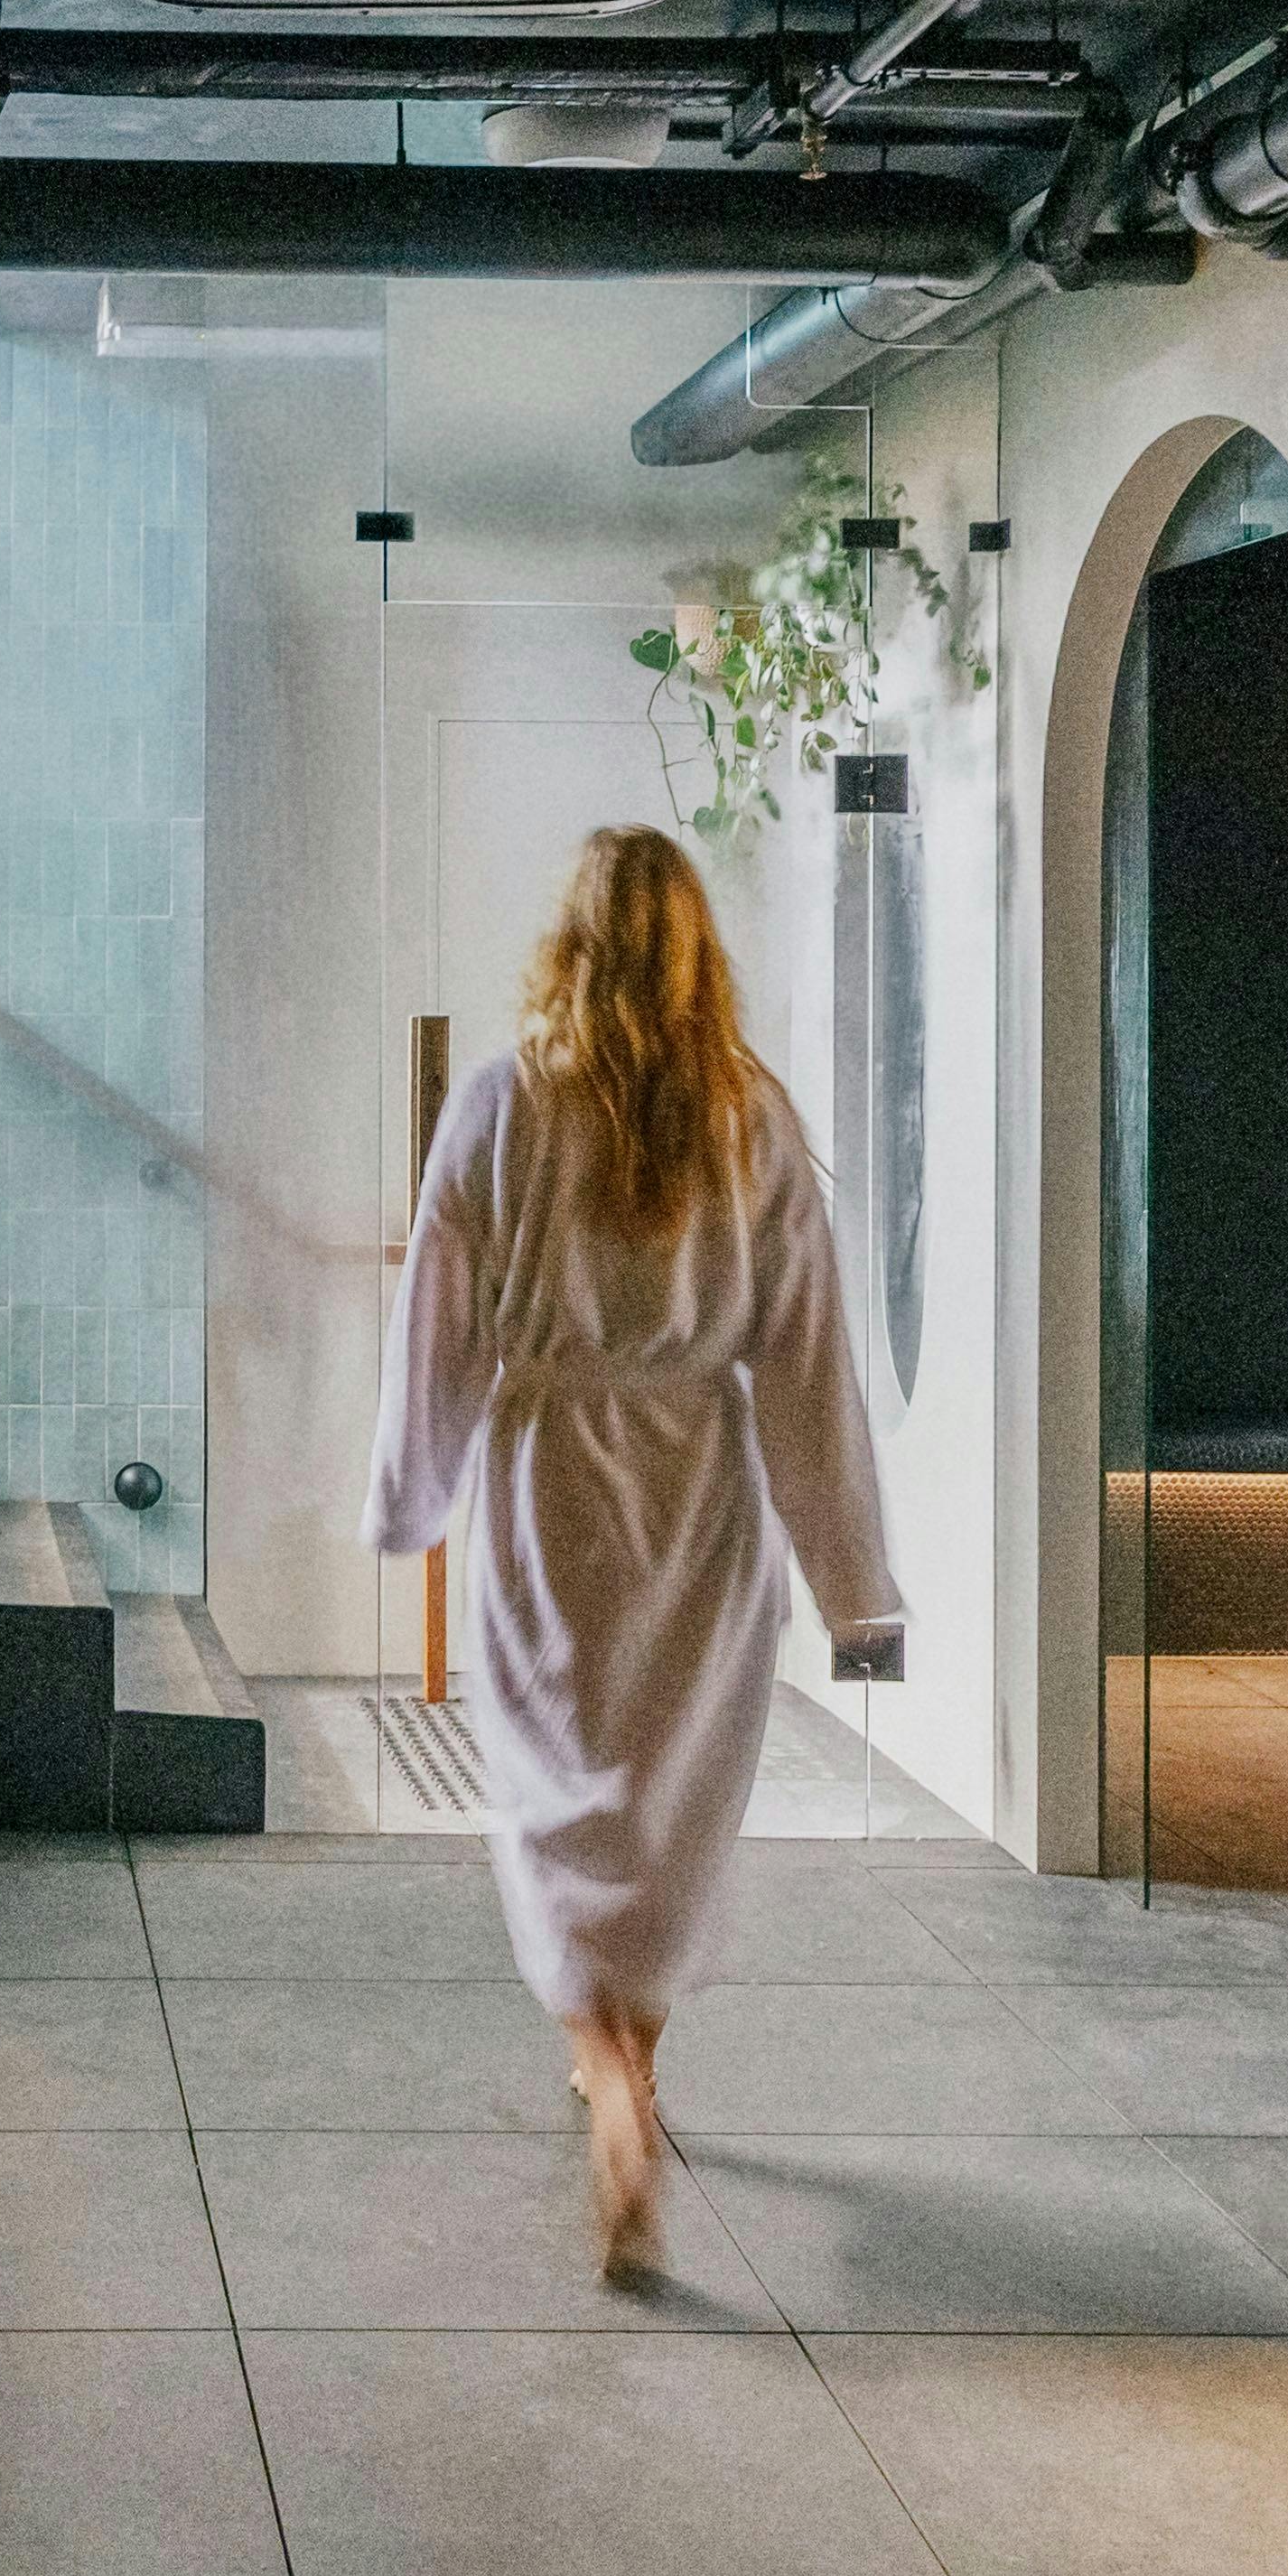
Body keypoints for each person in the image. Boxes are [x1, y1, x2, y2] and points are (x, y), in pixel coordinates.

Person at [365, 824, 905, 2282]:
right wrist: (860, 1594)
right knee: (668, 1801)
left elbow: (437, 1327)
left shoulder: (498, 1105)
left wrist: (407, 1500)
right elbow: (806, 1369)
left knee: (560, 1791)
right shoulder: (756, 1122)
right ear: (695, 954)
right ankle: (637, 2064)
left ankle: (603, 2076)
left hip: (549, 1494)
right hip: (702, 1507)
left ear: (573, 943)